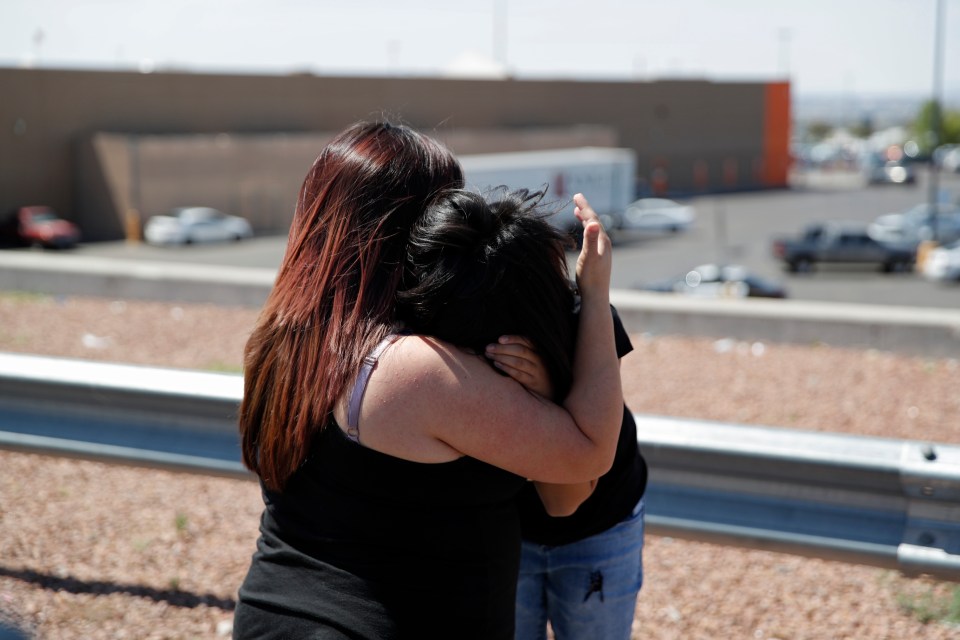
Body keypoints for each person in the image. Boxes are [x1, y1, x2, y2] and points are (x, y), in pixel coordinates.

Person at [232, 121, 622, 639]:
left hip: (273, 614)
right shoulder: (414, 370)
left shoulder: (285, 339)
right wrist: (593, 297)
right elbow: (589, 452)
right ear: (405, 230)